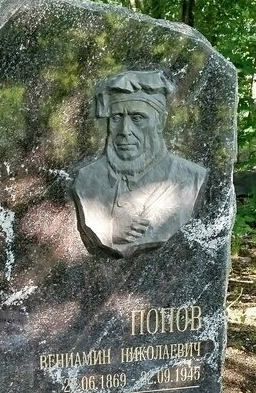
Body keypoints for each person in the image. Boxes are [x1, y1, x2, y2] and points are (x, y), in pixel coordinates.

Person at [71, 70, 207, 257]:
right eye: (116, 118)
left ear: (160, 121)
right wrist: (110, 229)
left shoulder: (189, 177)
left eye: (137, 118)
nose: (125, 130)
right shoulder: (87, 179)